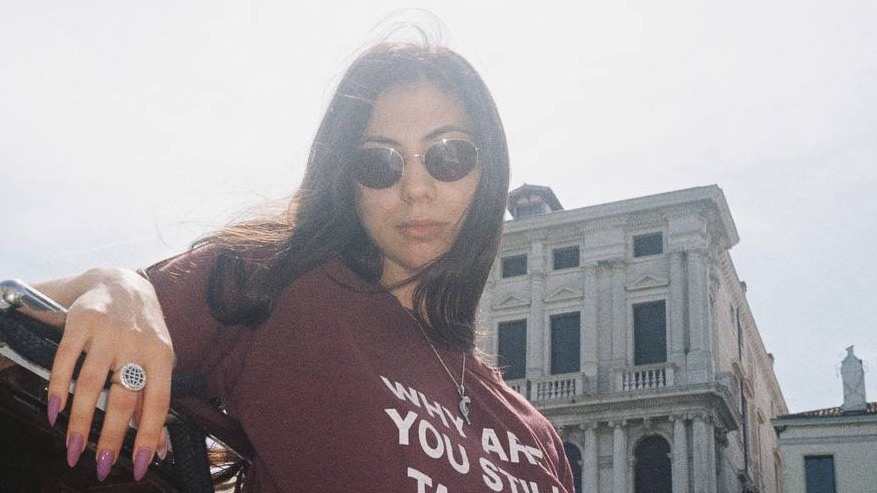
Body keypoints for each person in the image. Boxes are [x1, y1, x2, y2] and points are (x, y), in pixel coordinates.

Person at [28, 39, 575, 492]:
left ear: (488, 170)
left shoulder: (538, 436)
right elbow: (23, 316)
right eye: (378, 162)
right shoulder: (280, 285)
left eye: (448, 155)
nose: (416, 188)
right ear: (347, 178)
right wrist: (112, 284)